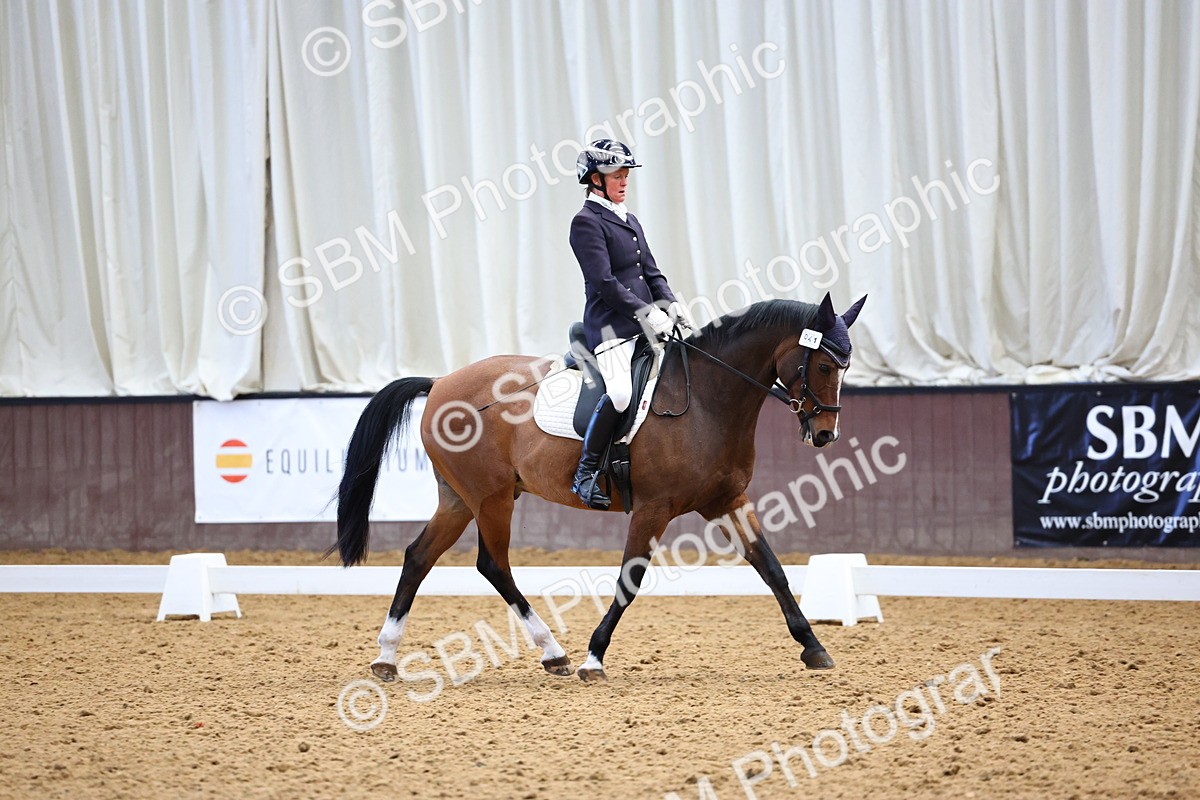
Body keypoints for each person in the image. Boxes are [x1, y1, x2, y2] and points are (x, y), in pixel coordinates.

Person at [568, 139, 692, 509]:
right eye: (616, 176)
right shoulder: (586, 222)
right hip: (609, 328)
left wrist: (669, 304)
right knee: (621, 394)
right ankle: (585, 474)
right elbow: (605, 283)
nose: (623, 182)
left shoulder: (629, 218)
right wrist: (646, 312)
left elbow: (651, 272)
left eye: (625, 176)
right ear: (594, 180)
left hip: (644, 324)